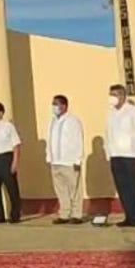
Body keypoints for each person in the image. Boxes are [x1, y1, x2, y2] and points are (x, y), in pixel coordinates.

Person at [105, 84, 135, 227]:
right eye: (110, 94)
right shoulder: (111, 114)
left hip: (131, 155)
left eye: (115, 94)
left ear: (122, 96)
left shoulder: (133, 111)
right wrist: (108, 153)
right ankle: (128, 215)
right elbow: (108, 134)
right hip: (116, 155)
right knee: (122, 187)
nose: (112, 98)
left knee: (133, 187)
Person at [46, 95, 84, 225]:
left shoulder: (73, 121)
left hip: (70, 160)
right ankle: (64, 214)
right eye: (53, 104)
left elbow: (78, 140)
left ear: (64, 106)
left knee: (75, 188)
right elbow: (50, 139)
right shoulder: (52, 121)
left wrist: (78, 159)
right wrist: (49, 157)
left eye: (56, 104)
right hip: (56, 161)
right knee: (61, 189)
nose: (54, 107)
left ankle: (77, 214)